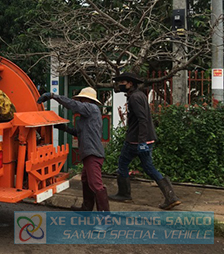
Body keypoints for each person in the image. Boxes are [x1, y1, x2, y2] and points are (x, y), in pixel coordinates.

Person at [109, 72, 181, 210]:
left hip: (135, 141)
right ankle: (171, 196)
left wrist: (141, 142)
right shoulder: (139, 95)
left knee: (122, 164)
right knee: (149, 168)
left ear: (130, 83)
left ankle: (124, 194)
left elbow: (142, 119)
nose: (120, 84)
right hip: (145, 139)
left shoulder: (134, 98)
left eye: (122, 82)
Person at [37, 87, 109, 212]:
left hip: (93, 153)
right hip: (89, 153)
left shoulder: (91, 108)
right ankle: (86, 208)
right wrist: (64, 128)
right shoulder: (86, 116)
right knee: (86, 180)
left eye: (81, 99)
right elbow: (79, 132)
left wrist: (54, 96)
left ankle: (105, 219)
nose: (80, 102)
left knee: (96, 185)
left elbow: (73, 105)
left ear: (86, 100)